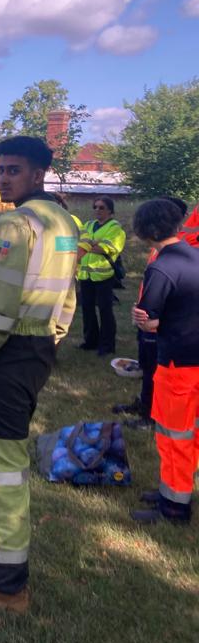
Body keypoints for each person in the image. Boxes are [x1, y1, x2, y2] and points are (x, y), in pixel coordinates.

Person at [0, 136, 78, 613]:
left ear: (39, 173)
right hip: (37, 347)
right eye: (0, 169)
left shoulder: (16, 224)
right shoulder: (64, 220)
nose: (3, 178)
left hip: (3, 355)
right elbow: (67, 291)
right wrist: (55, 335)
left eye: (14, 170)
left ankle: (6, 588)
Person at [129, 199, 199, 525]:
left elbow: (148, 317)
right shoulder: (194, 255)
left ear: (146, 231)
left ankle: (173, 507)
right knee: (191, 434)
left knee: (173, 436)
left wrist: (142, 320)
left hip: (176, 366)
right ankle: (173, 492)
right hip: (195, 359)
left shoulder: (161, 267)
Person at [114, 197, 189, 429]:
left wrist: (147, 318)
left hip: (158, 324)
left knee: (156, 370)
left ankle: (150, 416)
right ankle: (145, 403)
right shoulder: (165, 250)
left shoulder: (172, 255)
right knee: (148, 367)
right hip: (150, 315)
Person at [77, 196, 126, 356]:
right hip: (86, 275)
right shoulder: (88, 225)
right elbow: (78, 243)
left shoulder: (115, 229)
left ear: (110, 211)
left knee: (105, 311)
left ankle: (107, 345)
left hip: (104, 276)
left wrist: (88, 245)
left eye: (101, 207)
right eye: (95, 207)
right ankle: (90, 341)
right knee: (87, 310)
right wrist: (93, 244)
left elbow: (105, 249)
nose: (97, 210)